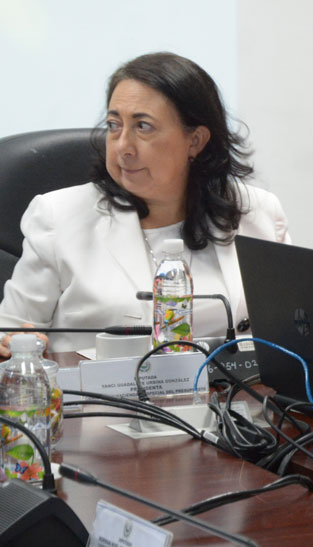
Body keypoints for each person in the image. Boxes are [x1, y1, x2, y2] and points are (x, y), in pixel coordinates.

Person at [0, 52, 291, 354]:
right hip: (96, 385)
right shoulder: (58, 217)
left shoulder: (257, 213)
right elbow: (10, 334)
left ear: (195, 140)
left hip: (232, 385)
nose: (123, 146)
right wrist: (13, 343)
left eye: (143, 127)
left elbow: (292, 333)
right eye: (114, 125)